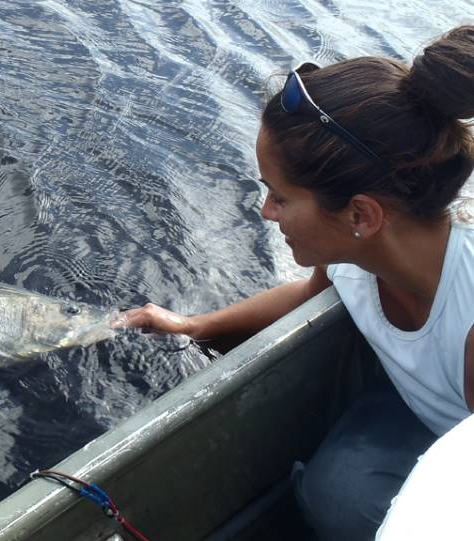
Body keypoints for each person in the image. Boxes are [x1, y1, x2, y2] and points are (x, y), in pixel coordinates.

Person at [120, 25, 474, 540]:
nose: (265, 212)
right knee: (336, 496)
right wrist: (193, 326)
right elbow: (311, 296)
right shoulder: (357, 254)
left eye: (280, 197)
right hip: (428, 420)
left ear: (360, 213)